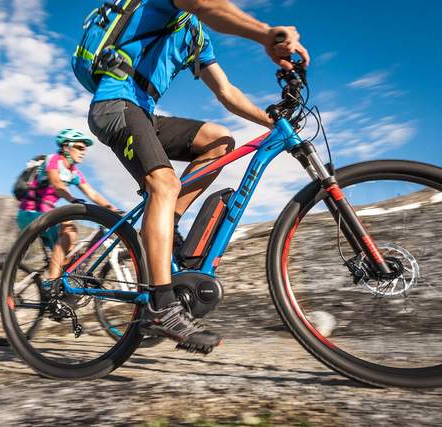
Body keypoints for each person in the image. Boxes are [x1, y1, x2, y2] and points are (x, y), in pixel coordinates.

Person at [87, 0, 310, 351]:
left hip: (144, 112)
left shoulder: (195, 36)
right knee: (164, 183)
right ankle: (160, 307)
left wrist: (273, 122)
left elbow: (226, 92)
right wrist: (266, 33)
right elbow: (207, 6)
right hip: (115, 104)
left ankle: (167, 225)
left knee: (220, 141)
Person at [17, 128, 118, 279]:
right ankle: (52, 282)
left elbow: (92, 193)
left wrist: (113, 209)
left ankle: (58, 283)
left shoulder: (74, 172)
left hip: (47, 213)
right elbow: (57, 183)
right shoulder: (53, 160)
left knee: (69, 253)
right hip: (30, 211)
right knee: (69, 231)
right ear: (66, 147)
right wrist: (72, 200)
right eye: (79, 147)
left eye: (85, 149)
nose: (83, 152)